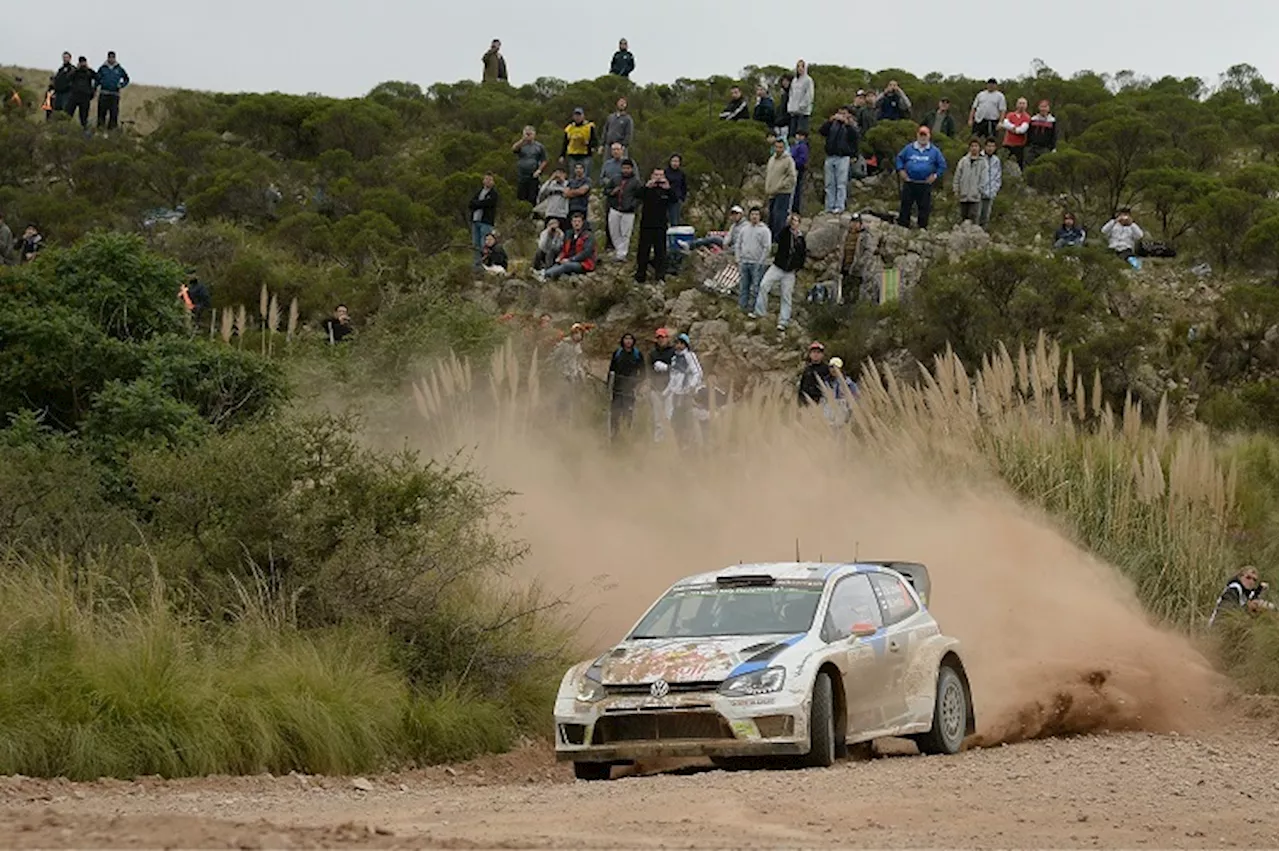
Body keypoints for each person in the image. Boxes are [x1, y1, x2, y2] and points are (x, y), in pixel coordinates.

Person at [753, 212, 806, 331]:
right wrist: (786, 224)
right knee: (764, 285)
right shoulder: (785, 233)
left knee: (786, 296)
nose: (794, 223)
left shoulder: (801, 239)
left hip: (790, 272)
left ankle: (783, 321)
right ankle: (760, 311)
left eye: (796, 221)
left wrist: (797, 268)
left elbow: (802, 255)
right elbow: (778, 238)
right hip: (777, 267)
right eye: (793, 221)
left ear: (799, 223)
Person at [896, 126, 948, 229]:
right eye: (921, 135)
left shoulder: (934, 151)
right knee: (905, 205)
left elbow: (942, 165)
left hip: (924, 184)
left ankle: (922, 228)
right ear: (917, 135)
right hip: (910, 182)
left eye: (925, 135)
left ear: (929, 136)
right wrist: (901, 170)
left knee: (924, 207)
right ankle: (903, 226)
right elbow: (899, 158)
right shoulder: (909, 148)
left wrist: (935, 175)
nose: (923, 137)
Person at [664, 333, 705, 449]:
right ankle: (680, 444)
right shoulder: (674, 358)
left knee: (687, 419)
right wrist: (667, 392)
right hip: (676, 394)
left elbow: (698, 372)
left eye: (681, 343)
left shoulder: (689, 356)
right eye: (677, 343)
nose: (678, 346)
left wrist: (691, 387)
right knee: (675, 420)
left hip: (687, 394)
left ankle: (690, 445)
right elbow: (673, 377)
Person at [819, 106, 859, 214]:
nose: (841, 115)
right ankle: (829, 206)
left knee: (841, 183)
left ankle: (839, 206)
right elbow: (822, 131)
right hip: (830, 156)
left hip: (843, 157)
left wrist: (847, 123)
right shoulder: (833, 124)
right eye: (839, 112)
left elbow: (855, 137)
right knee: (829, 183)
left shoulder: (851, 125)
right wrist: (829, 121)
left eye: (844, 113)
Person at [535, 211, 596, 281]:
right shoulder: (569, 234)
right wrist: (560, 257)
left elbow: (586, 252)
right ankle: (545, 273)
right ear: (571, 223)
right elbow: (564, 249)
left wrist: (570, 259)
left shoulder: (588, 236)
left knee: (566, 265)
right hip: (569, 259)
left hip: (584, 263)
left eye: (579, 221)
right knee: (557, 263)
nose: (577, 223)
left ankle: (544, 274)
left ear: (582, 223)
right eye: (575, 221)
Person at [635, 168, 671, 284]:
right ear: (652, 175)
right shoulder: (647, 189)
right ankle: (640, 275)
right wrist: (647, 186)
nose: (658, 177)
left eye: (661, 175)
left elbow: (675, 199)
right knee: (643, 251)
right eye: (656, 175)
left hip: (661, 225)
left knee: (660, 252)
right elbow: (637, 195)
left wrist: (668, 188)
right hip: (647, 224)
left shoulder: (666, 190)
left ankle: (660, 276)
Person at [608, 333, 646, 440]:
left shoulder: (637, 354)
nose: (628, 341)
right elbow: (611, 370)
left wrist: (638, 383)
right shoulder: (618, 353)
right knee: (615, 412)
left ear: (633, 341)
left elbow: (643, 372)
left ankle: (627, 434)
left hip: (630, 389)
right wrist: (609, 386)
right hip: (617, 388)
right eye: (626, 339)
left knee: (628, 412)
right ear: (622, 341)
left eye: (630, 339)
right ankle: (614, 434)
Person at [735, 206, 772, 313]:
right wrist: (738, 258)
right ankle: (742, 308)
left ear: (760, 216)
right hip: (744, 261)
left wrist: (761, 261)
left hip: (757, 263)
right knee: (743, 287)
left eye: (756, 214)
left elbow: (767, 247)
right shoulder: (744, 229)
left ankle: (753, 309)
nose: (754, 216)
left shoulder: (764, 230)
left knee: (756, 288)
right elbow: (738, 244)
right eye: (752, 214)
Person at [606, 159, 641, 262]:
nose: (626, 170)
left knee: (625, 233)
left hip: (628, 211)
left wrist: (632, 205)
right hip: (615, 208)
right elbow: (606, 190)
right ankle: (618, 250)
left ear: (631, 169)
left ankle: (622, 254)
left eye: (628, 168)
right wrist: (612, 192)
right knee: (614, 231)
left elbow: (639, 197)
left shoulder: (636, 181)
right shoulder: (615, 178)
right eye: (624, 168)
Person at [840, 213, 880, 305]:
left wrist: (861, 262)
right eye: (853, 222)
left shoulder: (865, 235)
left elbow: (869, 250)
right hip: (845, 266)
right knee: (844, 290)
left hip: (857, 268)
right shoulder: (846, 234)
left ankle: (853, 310)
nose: (854, 225)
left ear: (860, 224)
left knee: (855, 292)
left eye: (856, 223)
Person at [647, 328, 676, 442]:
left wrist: (666, 367)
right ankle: (658, 441)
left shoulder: (673, 352)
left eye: (663, 337)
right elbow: (648, 370)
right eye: (659, 338)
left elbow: (678, 368)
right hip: (656, 388)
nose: (661, 340)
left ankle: (670, 439)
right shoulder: (652, 354)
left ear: (667, 338)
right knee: (657, 417)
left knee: (669, 415)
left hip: (670, 388)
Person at [765, 138, 798, 240]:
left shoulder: (788, 160)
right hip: (771, 193)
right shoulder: (771, 159)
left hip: (783, 193)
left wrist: (781, 185)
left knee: (779, 217)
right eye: (777, 147)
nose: (778, 149)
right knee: (771, 218)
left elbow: (792, 177)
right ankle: (770, 239)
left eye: (781, 147)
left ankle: (778, 241)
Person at [952, 138, 988, 224]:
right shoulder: (963, 161)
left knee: (973, 219)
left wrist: (979, 190)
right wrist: (956, 190)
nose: (974, 148)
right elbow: (957, 176)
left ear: (980, 148)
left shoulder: (983, 162)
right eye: (972, 146)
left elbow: (984, 179)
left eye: (976, 146)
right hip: (963, 195)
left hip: (975, 197)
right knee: (963, 218)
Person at [468, 173, 499, 268]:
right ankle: (477, 266)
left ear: (493, 182)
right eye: (486, 179)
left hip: (486, 222)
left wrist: (478, 203)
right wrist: (479, 203)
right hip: (476, 221)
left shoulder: (493, 194)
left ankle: (486, 265)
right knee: (476, 244)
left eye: (490, 180)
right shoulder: (479, 192)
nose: (488, 181)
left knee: (484, 244)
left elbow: (488, 203)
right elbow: (471, 203)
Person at [511, 126, 548, 205]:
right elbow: (514, 149)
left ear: (534, 134)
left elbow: (544, 160)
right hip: (522, 175)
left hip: (533, 175)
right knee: (521, 196)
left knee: (532, 196)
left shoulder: (539, 146)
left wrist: (539, 170)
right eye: (526, 134)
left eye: (530, 134)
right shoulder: (521, 145)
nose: (528, 136)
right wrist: (522, 140)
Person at [95, 51, 129, 131]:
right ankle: (100, 130)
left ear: (115, 58)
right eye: (110, 57)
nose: (111, 59)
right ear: (107, 58)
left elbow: (126, 79)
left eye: (113, 57)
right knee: (101, 113)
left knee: (113, 113)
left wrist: (121, 85)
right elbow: (97, 78)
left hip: (114, 94)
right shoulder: (102, 68)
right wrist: (95, 87)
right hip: (104, 93)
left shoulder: (119, 69)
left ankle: (112, 130)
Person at [561, 108, 598, 179]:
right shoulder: (569, 128)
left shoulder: (589, 126)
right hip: (573, 155)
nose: (577, 117)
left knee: (585, 175)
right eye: (576, 115)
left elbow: (595, 140)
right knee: (572, 175)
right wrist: (562, 154)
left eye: (579, 115)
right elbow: (565, 142)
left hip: (585, 154)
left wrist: (589, 145)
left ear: (583, 116)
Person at [1000, 97, 1033, 169]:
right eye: (1020, 103)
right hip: (1007, 143)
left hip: (1019, 145)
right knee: (1003, 161)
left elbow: (1022, 130)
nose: (1021, 105)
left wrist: (1012, 128)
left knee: (1019, 164)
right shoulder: (1010, 114)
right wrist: (1014, 128)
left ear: (1026, 106)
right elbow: (1005, 124)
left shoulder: (1027, 117)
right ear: (1016, 105)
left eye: (1023, 104)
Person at [66, 56, 97, 129]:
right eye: (81, 62)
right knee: (68, 114)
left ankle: (84, 131)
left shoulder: (89, 72)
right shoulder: (75, 71)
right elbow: (68, 77)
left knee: (84, 117)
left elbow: (97, 78)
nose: (82, 64)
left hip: (85, 97)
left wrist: (93, 90)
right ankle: (66, 129)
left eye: (84, 62)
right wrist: (76, 69)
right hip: (74, 96)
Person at [798, 341, 832, 407]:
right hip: (806, 402)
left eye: (818, 352)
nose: (815, 354)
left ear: (822, 354)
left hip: (821, 403)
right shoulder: (807, 369)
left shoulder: (826, 369)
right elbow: (802, 387)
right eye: (813, 352)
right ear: (810, 354)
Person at [1026, 100, 1058, 167]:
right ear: (1039, 108)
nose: (1043, 109)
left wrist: (1053, 147)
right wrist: (1028, 145)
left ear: (1048, 108)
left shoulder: (1052, 121)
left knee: (1043, 166)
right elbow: (1029, 133)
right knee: (1029, 165)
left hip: (1045, 148)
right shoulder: (1033, 119)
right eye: (1042, 106)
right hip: (1032, 148)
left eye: (1045, 107)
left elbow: (1054, 135)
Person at [978, 138, 1002, 228]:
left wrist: (995, 189)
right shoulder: (979, 158)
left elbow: (998, 177)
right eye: (988, 146)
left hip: (990, 193)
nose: (990, 148)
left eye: (992, 146)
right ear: (985, 146)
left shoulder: (996, 160)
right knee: (977, 216)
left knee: (986, 217)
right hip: (979, 193)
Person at [788, 60, 815, 137]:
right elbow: (791, 95)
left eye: (802, 66)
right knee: (792, 135)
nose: (800, 68)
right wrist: (790, 107)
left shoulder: (808, 80)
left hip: (803, 113)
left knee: (801, 135)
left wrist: (802, 106)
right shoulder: (794, 81)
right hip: (793, 112)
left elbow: (809, 95)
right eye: (798, 66)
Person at [664, 154, 688, 227]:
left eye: (677, 161)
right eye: (673, 161)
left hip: (676, 200)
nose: (675, 163)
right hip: (665, 198)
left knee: (674, 220)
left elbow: (684, 186)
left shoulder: (681, 174)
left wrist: (682, 198)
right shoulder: (665, 172)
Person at [790, 130, 810, 214]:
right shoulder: (795, 145)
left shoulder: (802, 146)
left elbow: (802, 159)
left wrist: (793, 162)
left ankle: (795, 208)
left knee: (796, 189)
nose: (798, 137)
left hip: (797, 169)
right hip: (793, 169)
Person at [773, 75, 793, 141]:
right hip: (781, 124)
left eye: (787, 81)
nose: (784, 83)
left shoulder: (792, 94)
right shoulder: (783, 95)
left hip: (787, 123)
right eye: (783, 81)